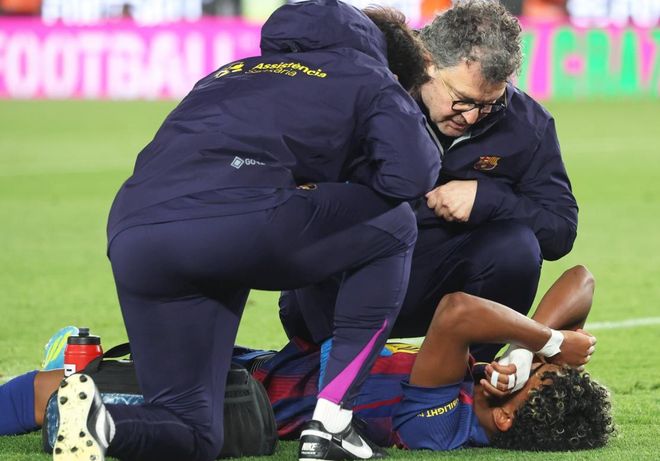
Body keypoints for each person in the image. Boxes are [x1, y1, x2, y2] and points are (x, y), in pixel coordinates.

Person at [49, 1, 441, 460]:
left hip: (136, 232)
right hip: (236, 226)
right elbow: (413, 175)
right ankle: (333, 423)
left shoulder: (229, 72)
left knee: (194, 430)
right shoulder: (368, 74)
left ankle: (100, 423)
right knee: (395, 224)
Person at [1, 266, 613, 453]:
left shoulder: (442, 422)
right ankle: (86, 374)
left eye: (535, 379)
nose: (527, 369)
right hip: (267, 366)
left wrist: (545, 343)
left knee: (54, 390)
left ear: (505, 418)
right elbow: (581, 281)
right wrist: (529, 349)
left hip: (242, 399)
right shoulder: (487, 388)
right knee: (102, 364)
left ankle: (83, 387)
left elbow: (455, 311)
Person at [281, 0, 579, 363]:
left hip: (435, 281)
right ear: (427, 63)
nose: (472, 117)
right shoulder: (371, 91)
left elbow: (560, 230)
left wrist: (487, 198)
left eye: (489, 105)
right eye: (462, 100)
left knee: (517, 248)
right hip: (344, 280)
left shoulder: (528, 124)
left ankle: (467, 373)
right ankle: (332, 357)